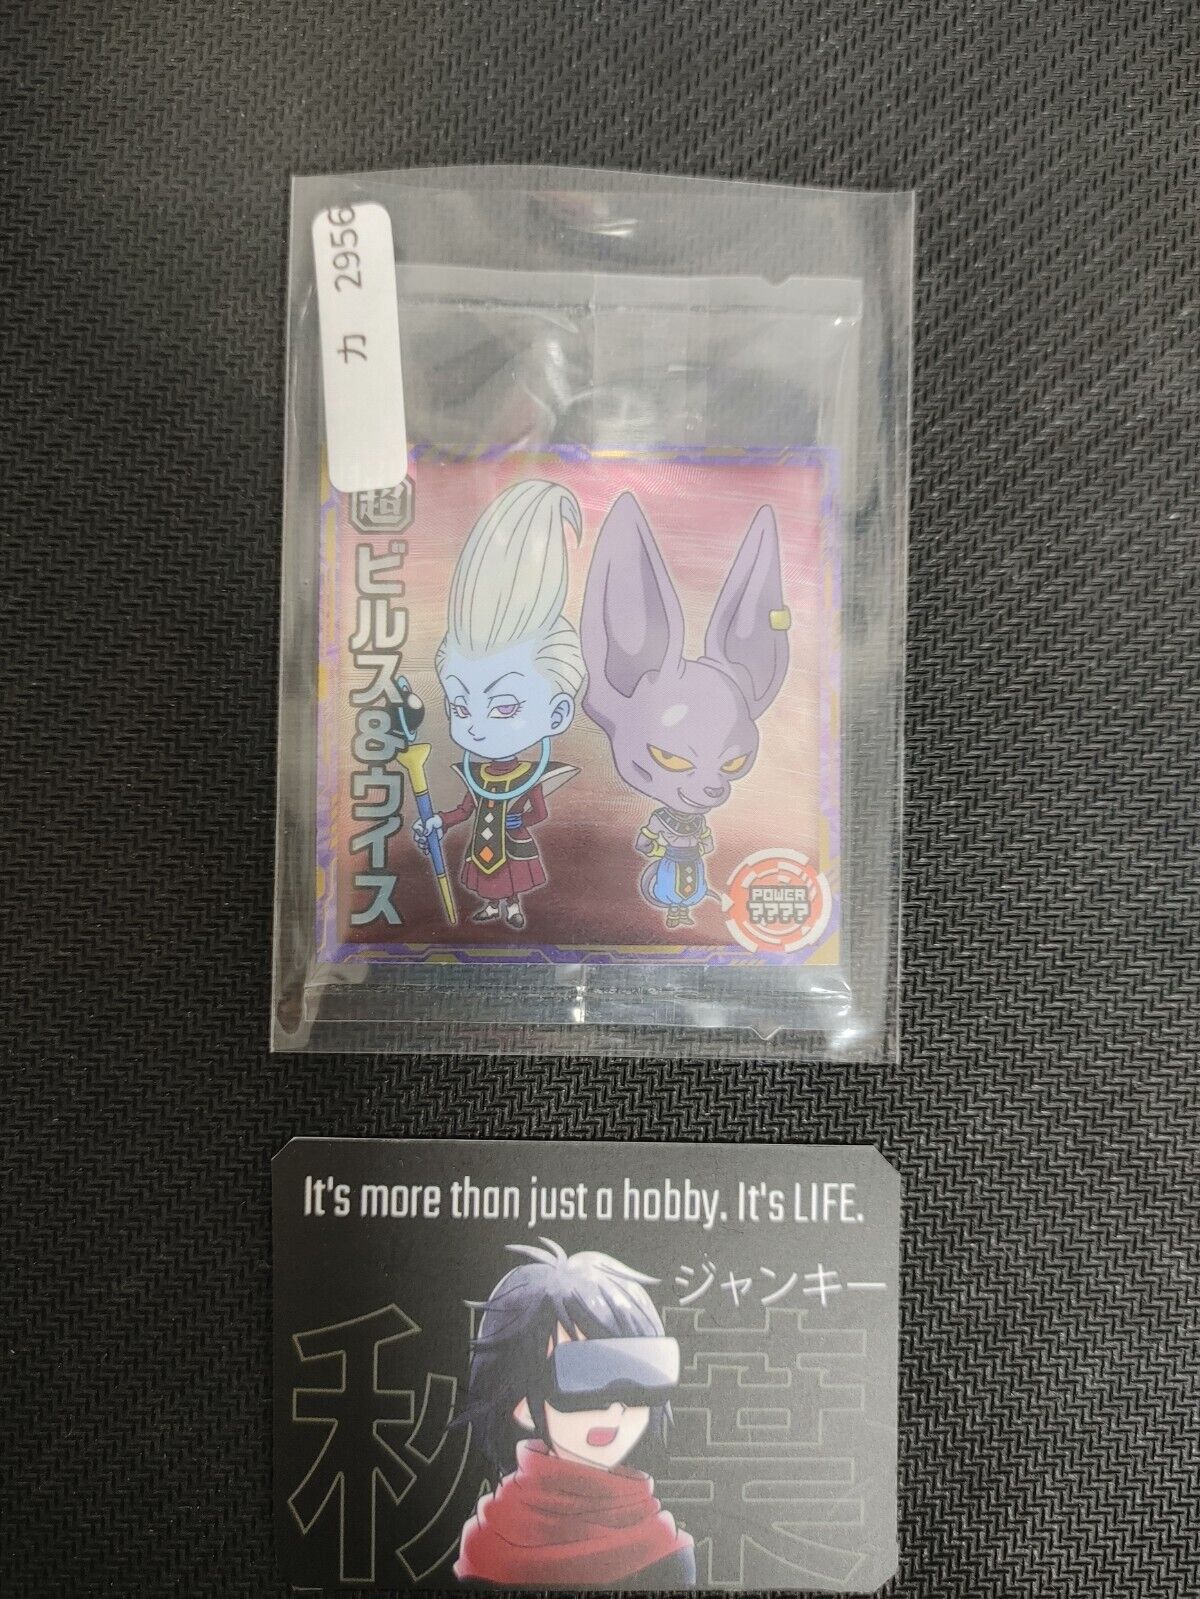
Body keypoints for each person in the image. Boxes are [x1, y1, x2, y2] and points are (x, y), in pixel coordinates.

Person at [453, 1239, 696, 1589]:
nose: (615, 1405)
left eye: (638, 1374)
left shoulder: (665, 1549)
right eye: (582, 1373)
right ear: (523, 1402)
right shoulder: (487, 1545)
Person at [413, 480, 583, 930]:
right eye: (460, 707)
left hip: (512, 844)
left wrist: (518, 820)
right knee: (486, 877)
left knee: (510, 880)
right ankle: (492, 905)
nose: (475, 727)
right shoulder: (477, 773)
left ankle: (511, 906)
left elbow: (540, 812)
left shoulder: (531, 776)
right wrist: (438, 823)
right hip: (482, 846)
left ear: (557, 714)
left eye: (505, 708)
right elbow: (466, 809)